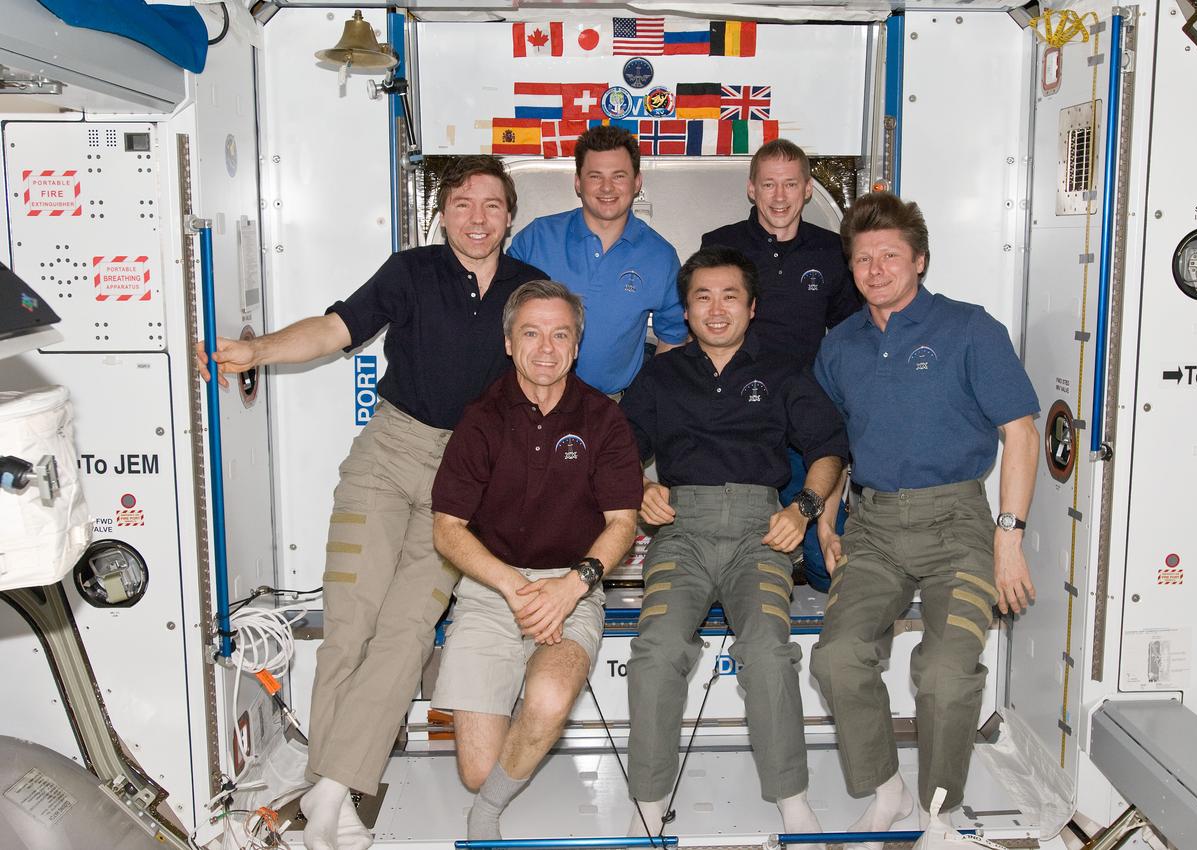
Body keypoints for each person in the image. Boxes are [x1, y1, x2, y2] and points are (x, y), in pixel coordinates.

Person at [198, 157, 545, 850]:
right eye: (463, 204)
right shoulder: (410, 271)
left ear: (511, 217)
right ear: (442, 213)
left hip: (465, 482)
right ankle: (339, 798)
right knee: (352, 623)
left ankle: (330, 792)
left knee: (409, 632)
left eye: (492, 206)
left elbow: (544, 380)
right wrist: (257, 350)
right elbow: (335, 330)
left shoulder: (527, 292)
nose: (477, 218)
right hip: (388, 460)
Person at [810, 192, 1040, 850]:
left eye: (890, 255)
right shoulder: (840, 348)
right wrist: (828, 524)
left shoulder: (970, 329)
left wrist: (1009, 538)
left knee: (943, 671)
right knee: (836, 659)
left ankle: (940, 817)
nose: (875, 268)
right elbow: (832, 447)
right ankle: (887, 793)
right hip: (873, 528)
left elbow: (1020, 435)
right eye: (862, 258)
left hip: (959, 526)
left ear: (920, 261)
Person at [619, 246, 848, 842]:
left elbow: (827, 447)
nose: (715, 309)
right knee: (658, 646)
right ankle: (648, 797)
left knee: (769, 648)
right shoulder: (660, 375)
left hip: (760, 534)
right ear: (686, 310)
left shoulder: (781, 371)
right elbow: (618, 452)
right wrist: (640, 486)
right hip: (680, 535)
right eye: (701, 297)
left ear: (751, 307)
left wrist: (804, 509)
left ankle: (791, 798)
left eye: (729, 297)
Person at [430, 280, 642, 839]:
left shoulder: (604, 420)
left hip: (572, 582)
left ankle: (488, 814)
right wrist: (511, 588)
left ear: (576, 346)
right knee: (479, 770)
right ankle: (516, 733)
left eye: (560, 334)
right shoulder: (479, 418)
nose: (545, 348)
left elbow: (623, 524)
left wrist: (573, 585)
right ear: (508, 343)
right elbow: (447, 531)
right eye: (531, 333)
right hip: (490, 586)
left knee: (548, 698)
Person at [702, 138, 861, 591]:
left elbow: (849, 336)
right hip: (734, 420)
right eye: (768, 184)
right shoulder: (720, 245)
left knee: (827, 570)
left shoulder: (833, 252)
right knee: (726, 564)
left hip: (802, 418)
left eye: (790, 185)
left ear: (808, 189)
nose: (779, 196)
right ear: (751, 189)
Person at [508, 125, 686, 395]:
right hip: (532, 403)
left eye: (618, 176)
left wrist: (646, 398)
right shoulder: (536, 238)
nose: (606, 187)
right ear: (578, 182)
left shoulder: (660, 257)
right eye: (595, 176)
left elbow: (673, 337)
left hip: (612, 406)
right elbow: (502, 318)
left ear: (637, 182)